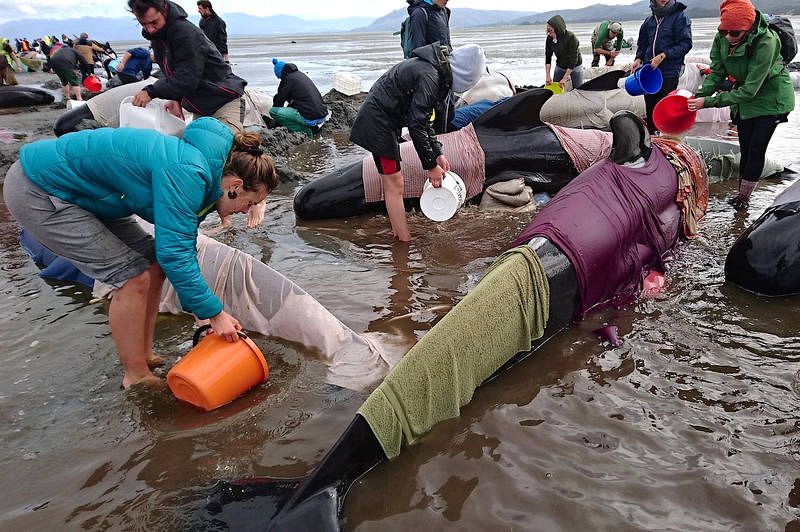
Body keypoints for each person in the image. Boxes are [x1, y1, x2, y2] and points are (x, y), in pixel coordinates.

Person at [3, 117, 279, 389]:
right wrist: (215, 314)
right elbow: (175, 254)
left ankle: (144, 356)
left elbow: (180, 246)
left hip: (90, 196)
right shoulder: (189, 171)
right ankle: (135, 375)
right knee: (131, 277)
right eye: (250, 203)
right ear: (236, 186)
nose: (245, 211)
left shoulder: (205, 172)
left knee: (153, 263)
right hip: (39, 188)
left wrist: (203, 314)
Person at [128, 0, 263, 229]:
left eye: (154, 22)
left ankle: (259, 198)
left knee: (232, 154)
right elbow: (173, 71)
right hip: (202, 105)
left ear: (164, 9)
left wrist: (151, 91)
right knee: (206, 165)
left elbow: (187, 78)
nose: (150, 29)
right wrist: (175, 99)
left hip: (224, 98)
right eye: (144, 24)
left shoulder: (184, 32)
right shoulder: (160, 35)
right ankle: (226, 220)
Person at [349, 43, 485, 242]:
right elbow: (416, 125)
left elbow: (424, 121)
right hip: (377, 124)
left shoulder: (435, 71)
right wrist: (430, 166)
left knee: (393, 184)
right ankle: (403, 240)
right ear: (464, 75)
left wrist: (437, 153)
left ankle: (399, 233)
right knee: (394, 184)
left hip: (385, 121)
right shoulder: (431, 77)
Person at [687, 0, 794, 210]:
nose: (728, 36)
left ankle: (743, 200)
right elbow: (716, 73)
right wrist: (698, 95)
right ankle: (741, 194)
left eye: (734, 33)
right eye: (724, 31)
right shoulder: (722, 38)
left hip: (771, 99)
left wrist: (707, 102)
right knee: (745, 148)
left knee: (756, 149)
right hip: (743, 100)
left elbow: (749, 90)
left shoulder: (767, 42)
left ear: (748, 28)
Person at [631, 0, 693, 134]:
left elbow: (685, 44)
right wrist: (638, 58)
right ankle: (653, 140)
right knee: (650, 109)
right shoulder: (649, 21)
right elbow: (643, 43)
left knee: (664, 110)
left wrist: (664, 55)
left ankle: (665, 139)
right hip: (649, 72)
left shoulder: (680, 18)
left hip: (669, 72)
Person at [270, 58, 329, 137]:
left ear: (280, 74)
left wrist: (277, 120)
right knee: (297, 108)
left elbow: (279, 101)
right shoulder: (300, 75)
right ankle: (313, 128)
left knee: (273, 111)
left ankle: (305, 131)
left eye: (280, 78)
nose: (281, 80)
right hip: (322, 115)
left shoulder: (287, 79)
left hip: (310, 117)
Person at [544, 15, 584, 91]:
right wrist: (548, 76)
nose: (549, 34)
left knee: (579, 89)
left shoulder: (571, 37)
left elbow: (573, 60)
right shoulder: (549, 38)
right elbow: (548, 57)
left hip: (575, 65)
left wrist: (565, 78)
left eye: (551, 31)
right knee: (555, 88)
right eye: (548, 31)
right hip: (560, 65)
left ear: (558, 29)